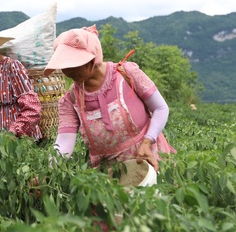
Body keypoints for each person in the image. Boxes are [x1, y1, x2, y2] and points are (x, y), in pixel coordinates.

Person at [45, 25, 175, 172]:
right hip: (109, 174)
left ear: (93, 58)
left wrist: (147, 141)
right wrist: (49, 172)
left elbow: (160, 108)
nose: (67, 70)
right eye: (63, 65)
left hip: (147, 157)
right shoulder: (71, 100)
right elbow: (63, 143)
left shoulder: (126, 74)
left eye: (73, 63)